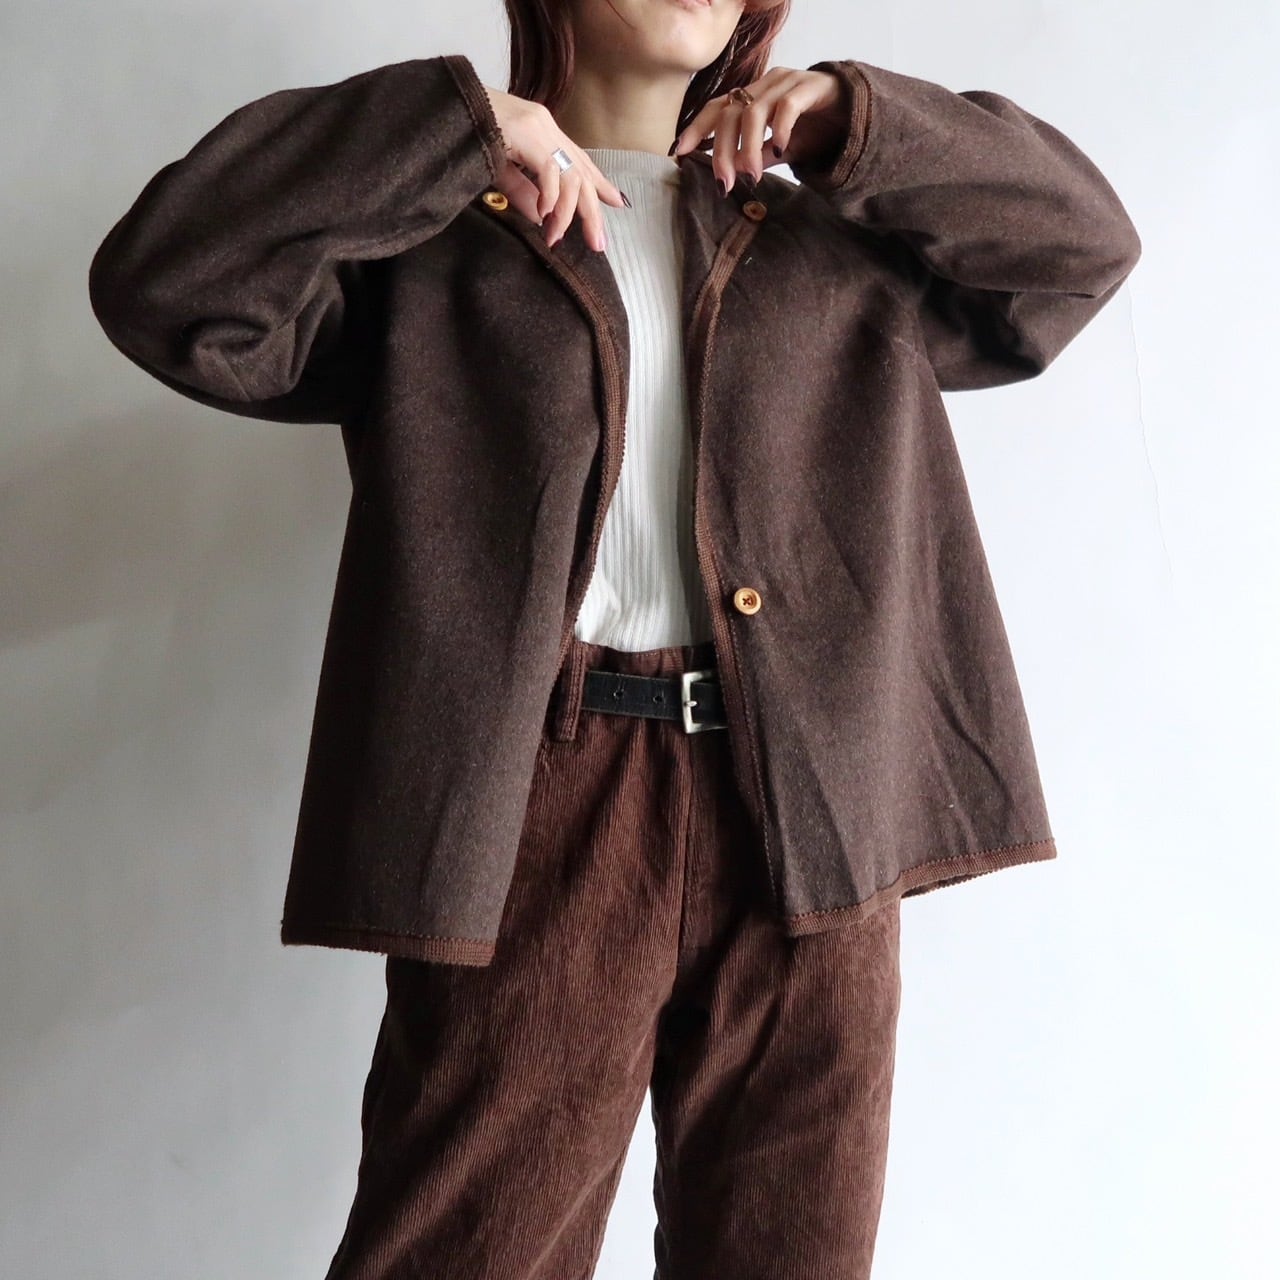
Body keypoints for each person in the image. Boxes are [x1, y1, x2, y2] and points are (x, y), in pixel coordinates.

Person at [87, 0, 1142, 1275]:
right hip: (538, 799)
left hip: (814, 809)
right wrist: (455, 128)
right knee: (466, 1245)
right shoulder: (428, 242)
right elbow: (167, 283)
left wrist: (857, 124)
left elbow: (1079, 250)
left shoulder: (836, 234)